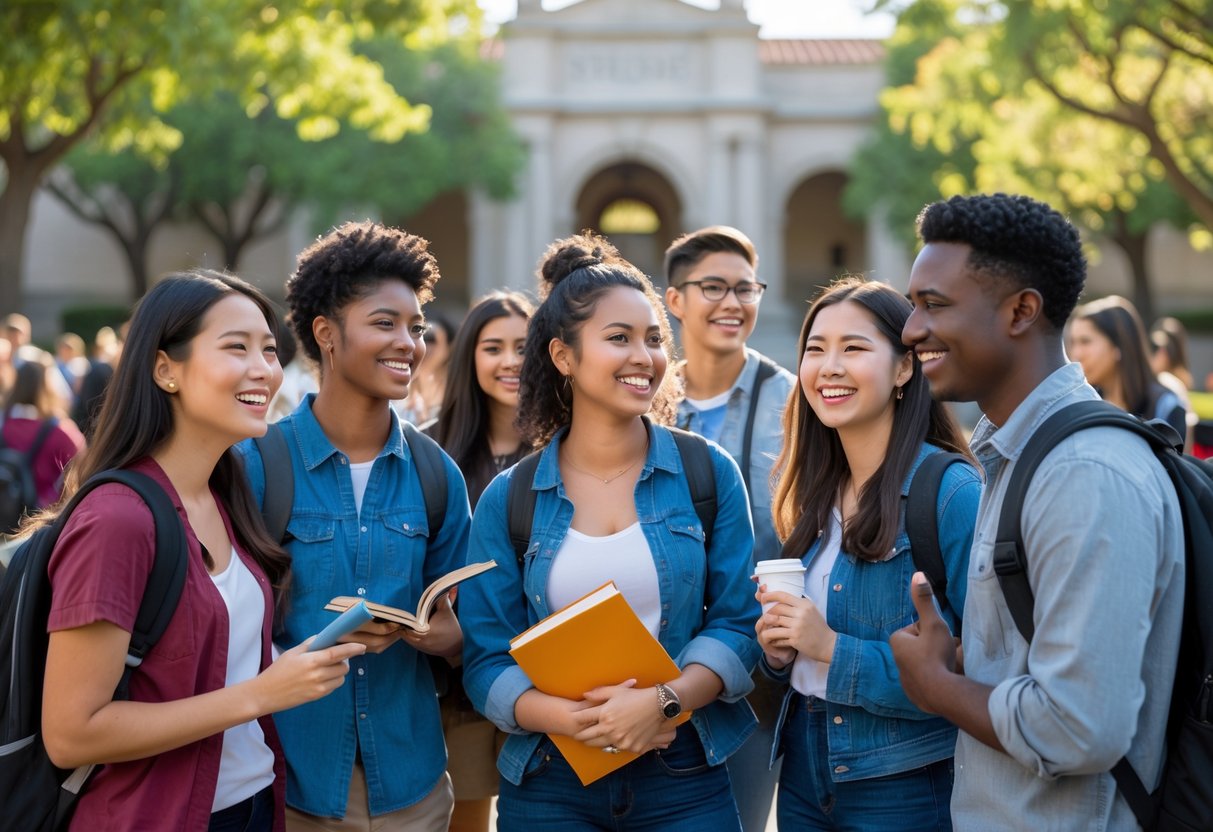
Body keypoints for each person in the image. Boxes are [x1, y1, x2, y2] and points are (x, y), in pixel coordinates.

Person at [892, 194, 1184, 831]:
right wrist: (966, 661)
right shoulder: (1019, 453)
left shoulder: (1084, 472)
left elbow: (1078, 727)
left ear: (1022, 310)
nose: (911, 329)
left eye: (933, 304)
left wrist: (936, 686)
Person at [40, 270, 364, 831]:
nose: (263, 369)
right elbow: (72, 733)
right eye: (236, 347)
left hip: (253, 803)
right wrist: (261, 694)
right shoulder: (117, 519)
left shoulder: (224, 493)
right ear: (165, 369)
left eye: (269, 349)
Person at [459, 233, 761, 831]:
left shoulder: (707, 474)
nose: (642, 356)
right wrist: (574, 721)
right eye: (618, 338)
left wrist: (662, 704)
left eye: (653, 339)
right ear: (564, 357)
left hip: (683, 772)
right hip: (551, 779)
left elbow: (738, 621)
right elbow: (486, 659)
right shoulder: (510, 499)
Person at [236, 220, 472, 831]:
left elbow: (471, 628)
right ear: (327, 335)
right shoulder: (256, 465)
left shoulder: (436, 474)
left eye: (417, 327)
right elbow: (221, 628)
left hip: (413, 785)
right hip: (285, 781)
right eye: (385, 323)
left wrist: (447, 639)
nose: (409, 343)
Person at [756, 276, 979, 830]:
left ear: (904, 368)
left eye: (853, 348)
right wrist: (781, 651)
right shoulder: (811, 493)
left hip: (904, 776)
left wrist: (831, 646)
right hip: (804, 767)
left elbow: (976, 667)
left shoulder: (951, 494)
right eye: (815, 349)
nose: (829, 367)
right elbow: (799, 653)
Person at [662, 225, 796, 830]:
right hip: (654, 660)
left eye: (746, 288)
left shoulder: (794, 401)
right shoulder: (645, 399)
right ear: (675, 300)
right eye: (712, 287)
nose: (732, 303)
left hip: (754, 670)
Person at [424, 290, 534, 832]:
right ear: (470, 356)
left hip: (548, 677)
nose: (510, 361)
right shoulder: (431, 452)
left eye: (523, 346)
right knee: (465, 818)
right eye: (494, 347)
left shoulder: (573, 448)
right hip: (458, 680)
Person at [1067, 294, 1189, 445]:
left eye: (1085, 341)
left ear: (1118, 345)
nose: (1076, 354)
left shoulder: (1165, 405)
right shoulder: (1084, 403)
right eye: (1073, 343)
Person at [1, 356, 86, 510]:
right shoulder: (62, 431)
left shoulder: (3, 424)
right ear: (49, 388)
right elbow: (83, 470)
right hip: (45, 522)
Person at [395, 308, 455, 424]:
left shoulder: (457, 390)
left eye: (431, 339)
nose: (426, 346)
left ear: (449, 344)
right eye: (417, 335)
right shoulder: (398, 390)